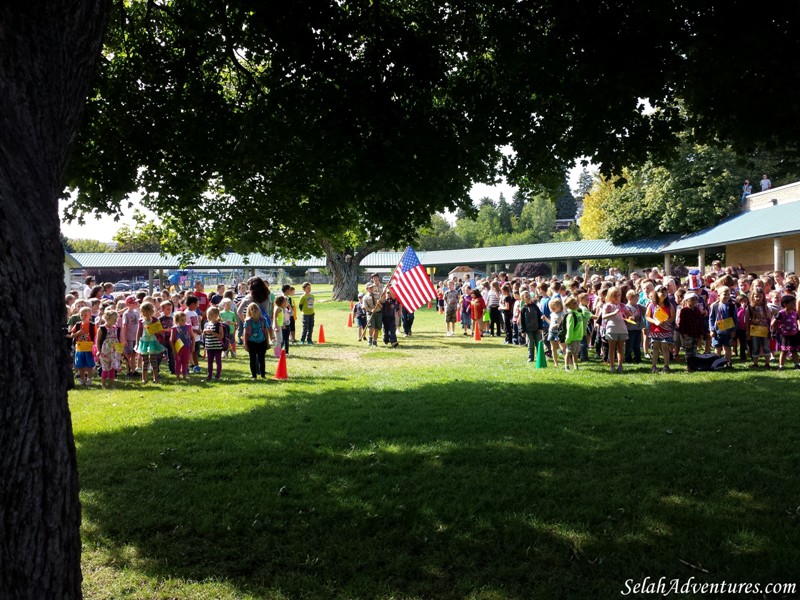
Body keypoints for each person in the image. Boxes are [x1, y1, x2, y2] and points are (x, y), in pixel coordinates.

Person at [646, 286, 675, 373]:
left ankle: (666, 366)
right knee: (655, 348)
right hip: (655, 330)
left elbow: (673, 317)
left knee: (665, 347)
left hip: (666, 330)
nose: (663, 294)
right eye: (661, 292)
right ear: (656, 293)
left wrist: (667, 321)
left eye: (665, 292)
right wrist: (654, 322)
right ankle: (654, 366)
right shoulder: (652, 305)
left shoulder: (669, 305)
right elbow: (647, 316)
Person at [602, 287, 630, 373]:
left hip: (622, 329)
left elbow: (630, 315)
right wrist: (613, 313)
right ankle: (612, 366)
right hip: (611, 329)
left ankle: (620, 365)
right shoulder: (608, 305)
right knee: (612, 348)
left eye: (619, 295)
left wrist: (631, 317)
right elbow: (603, 316)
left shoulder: (622, 305)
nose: (617, 297)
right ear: (610, 296)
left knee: (621, 348)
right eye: (614, 295)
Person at [708, 285, 737, 368]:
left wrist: (733, 331)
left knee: (727, 347)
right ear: (719, 296)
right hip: (717, 332)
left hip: (728, 331)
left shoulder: (732, 306)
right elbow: (711, 318)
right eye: (724, 294)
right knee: (717, 347)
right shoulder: (714, 305)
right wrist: (712, 330)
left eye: (728, 294)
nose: (727, 296)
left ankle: (728, 362)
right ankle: (718, 363)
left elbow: (735, 319)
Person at [743, 289, 773, 369]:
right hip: (754, 331)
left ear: (763, 297)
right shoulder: (749, 308)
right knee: (755, 346)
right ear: (752, 297)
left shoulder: (766, 308)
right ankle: (755, 363)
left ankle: (767, 363)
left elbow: (769, 319)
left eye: (760, 296)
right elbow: (746, 321)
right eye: (756, 296)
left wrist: (770, 330)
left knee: (766, 346)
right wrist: (747, 332)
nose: (758, 298)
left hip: (764, 330)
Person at [137, 301, 166, 383]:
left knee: (153, 360)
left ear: (152, 311)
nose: (145, 313)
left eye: (148, 311)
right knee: (145, 360)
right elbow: (139, 332)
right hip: (144, 342)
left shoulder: (155, 320)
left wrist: (157, 330)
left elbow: (160, 331)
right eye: (143, 311)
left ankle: (155, 378)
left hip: (152, 342)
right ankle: (144, 378)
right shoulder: (141, 321)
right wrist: (137, 342)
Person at [68, 306, 96, 386]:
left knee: (90, 365)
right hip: (80, 348)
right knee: (80, 365)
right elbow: (72, 335)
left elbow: (96, 336)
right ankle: (82, 379)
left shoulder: (92, 325)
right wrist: (78, 333)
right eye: (81, 315)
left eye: (85, 315)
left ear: (90, 315)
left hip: (89, 348)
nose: (83, 317)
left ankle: (89, 379)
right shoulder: (77, 325)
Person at [771, 295, 800, 370]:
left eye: (794, 303)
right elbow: (773, 323)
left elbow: (797, 320)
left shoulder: (794, 313)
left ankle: (797, 364)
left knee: (794, 350)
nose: (794, 305)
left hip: (794, 335)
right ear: (785, 304)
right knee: (784, 351)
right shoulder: (781, 313)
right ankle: (781, 366)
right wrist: (779, 330)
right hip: (785, 336)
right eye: (792, 303)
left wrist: (798, 327)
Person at [676, 292, 704, 366]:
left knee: (694, 350)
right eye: (692, 300)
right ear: (687, 300)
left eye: (695, 300)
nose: (694, 301)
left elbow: (700, 322)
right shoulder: (684, 311)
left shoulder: (697, 310)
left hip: (695, 333)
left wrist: (700, 333)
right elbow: (681, 323)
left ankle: (694, 364)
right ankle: (689, 365)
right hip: (688, 334)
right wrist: (684, 333)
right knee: (688, 350)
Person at [96, 309, 122, 388]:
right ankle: (103, 384)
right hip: (105, 351)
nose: (115, 321)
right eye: (113, 319)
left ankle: (111, 383)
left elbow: (117, 340)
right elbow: (98, 341)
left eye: (116, 319)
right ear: (107, 319)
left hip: (114, 351)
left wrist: (119, 351)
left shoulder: (115, 328)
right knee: (105, 367)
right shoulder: (102, 329)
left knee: (112, 367)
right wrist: (98, 350)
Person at [243, 302, 268, 379]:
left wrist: (267, 342)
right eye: (252, 309)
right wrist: (246, 344)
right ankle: (254, 375)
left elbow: (266, 331)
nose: (254, 310)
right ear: (249, 311)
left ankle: (263, 375)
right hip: (252, 342)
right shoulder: (248, 321)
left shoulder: (263, 320)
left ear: (259, 310)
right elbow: (245, 334)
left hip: (261, 342)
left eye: (255, 308)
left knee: (262, 359)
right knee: (252, 359)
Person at [519, 290, 542, 363]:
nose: (528, 297)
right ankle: (530, 357)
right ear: (523, 299)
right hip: (528, 329)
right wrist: (522, 330)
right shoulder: (523, 309)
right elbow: (522, 320)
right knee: (530, 343)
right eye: (526, 297)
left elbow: (539, 317)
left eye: (529, 296)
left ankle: (540, 356)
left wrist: (540, 327)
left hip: (537, 328)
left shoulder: (535, 306)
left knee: (538, 343)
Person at [203, 306, 225, 381]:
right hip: (209, 346)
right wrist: (204, 332)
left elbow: (221, 336)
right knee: (209, 362)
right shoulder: (206, 324)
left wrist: (212, 333)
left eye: (210, 314)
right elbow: (204, 336)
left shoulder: (219, 325)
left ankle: (217, 376)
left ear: (216, 316)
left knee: (218, 362)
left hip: (217, 347)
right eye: (207, 314)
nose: (208, 316)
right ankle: (209, 375)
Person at [120, 295, 140, 377]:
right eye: (134, 303)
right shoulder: (126, 314)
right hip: (129, 337)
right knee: (128, 354)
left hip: (135, 336)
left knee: (134, 354)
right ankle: (129, 370)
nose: (136, 304)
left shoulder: (136, 312)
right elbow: (124, 326)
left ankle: (133, 370)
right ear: (129, 304)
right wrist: (124, 338)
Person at [170, 311, 192, 381]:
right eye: (182, 320)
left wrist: (193, 346)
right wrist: (174, 350)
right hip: (178, 348)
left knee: (185, 362)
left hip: (186, 347)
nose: (184, 321)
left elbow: (192, 337)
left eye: (185, 319)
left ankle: (184, 376)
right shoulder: (174, 328)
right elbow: (172, 340)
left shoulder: (188, 327)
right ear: (177, 320)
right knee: (178, 362)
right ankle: (178, 376)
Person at [563, 296, 583, 372]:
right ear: (569, 306)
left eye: (577, 302)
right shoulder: (571, 315)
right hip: (572, 338)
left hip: (578, 337)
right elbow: (569, 328)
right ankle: (567, 366)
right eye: (574, 303)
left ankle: (576, 366)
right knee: (568, 352)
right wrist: (568, 338)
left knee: (575, 353)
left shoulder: (578, 313)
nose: (577, 304)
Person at [624, 289, 644, 364]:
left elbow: (645, 309)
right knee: (629, 344)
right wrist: (629, 318)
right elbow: (625, 317)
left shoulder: (638, 306)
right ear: (629, 298)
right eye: (635, 299)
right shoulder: (626, 307)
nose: (637, 300)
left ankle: (637, 357)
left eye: (637, 299)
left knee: (637, 344)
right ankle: (628, 357)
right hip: (630, 329)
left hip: (638, 328)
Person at [363, 282, 382, 347]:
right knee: (371, 327)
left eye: (372, 287)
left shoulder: (378, 295)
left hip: (378, 313)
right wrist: (371, 310)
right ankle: (370, 339)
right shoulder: (365, 297)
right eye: (370, 288)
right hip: (370, 313)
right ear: (367, 289)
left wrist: (379, 303)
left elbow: (382, 305)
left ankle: (375, 341)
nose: (371, 288)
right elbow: (365, 307)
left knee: (376, 328)